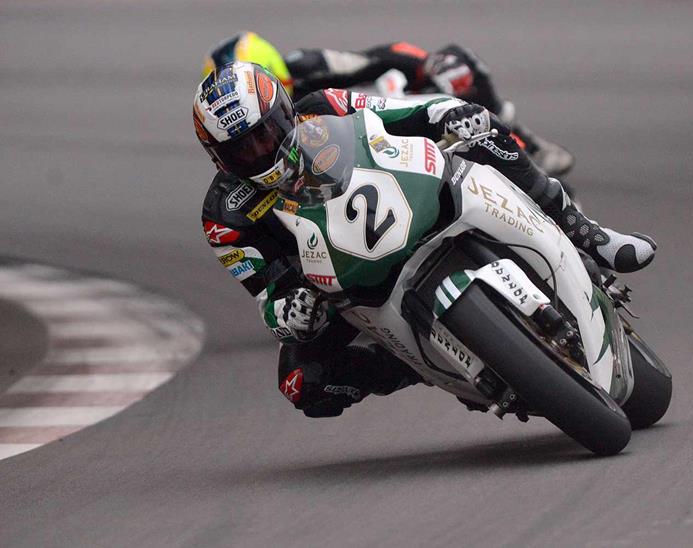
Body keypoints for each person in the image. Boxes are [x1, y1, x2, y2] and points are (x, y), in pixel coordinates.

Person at [195, 61, 656, 417]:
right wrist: (291, 311)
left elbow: (401, 110)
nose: (260, 151)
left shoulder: (322, 106)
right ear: (218, 157)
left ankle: (587, 235)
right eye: (242, 149)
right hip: (341, 285)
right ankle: (418, 366)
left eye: (265, 134)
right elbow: (265, 295)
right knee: (301, 384)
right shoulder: (225, 214)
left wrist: (447, 112)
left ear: (285, 111)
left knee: (482, 127)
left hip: (410, 198)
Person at [201, 31, 574, 178]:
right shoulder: (248, 168)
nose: (258, 142)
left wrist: (427, 65)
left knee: (457, 64)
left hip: (388, 114)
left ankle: (527, 144)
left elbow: (383, 56)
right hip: (356, 169)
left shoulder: (311, 69)